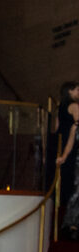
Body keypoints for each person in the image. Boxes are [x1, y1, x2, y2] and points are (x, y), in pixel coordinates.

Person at [55, 81, 79, 241]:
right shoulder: (75, 109)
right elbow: (72, 134)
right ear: (70, 91)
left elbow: (56, 130)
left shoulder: (61, 108)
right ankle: (71, 225)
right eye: (77, 90)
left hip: (67, 150)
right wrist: (64, 155)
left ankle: (70, 225)